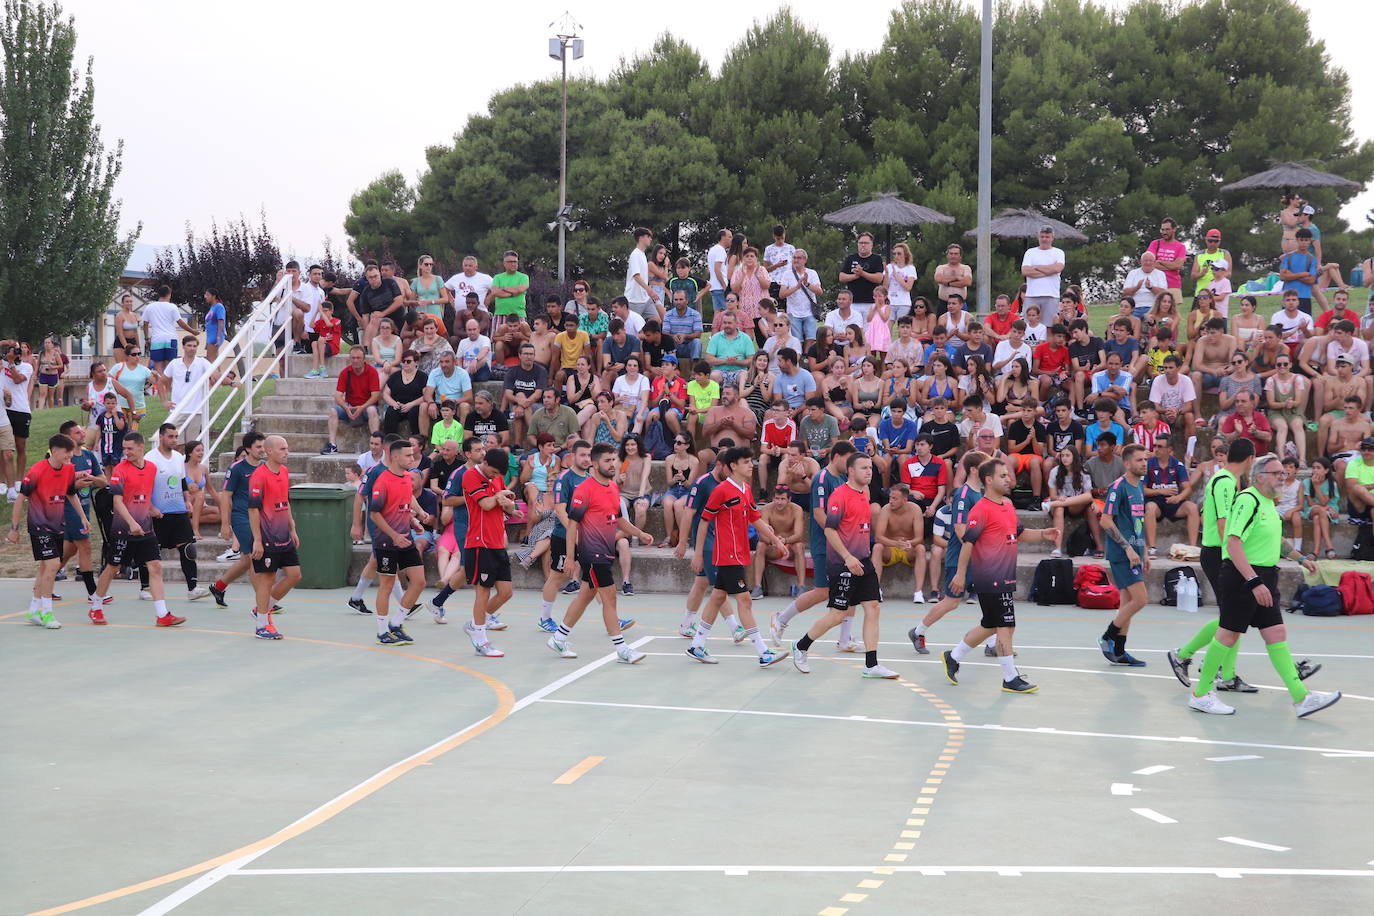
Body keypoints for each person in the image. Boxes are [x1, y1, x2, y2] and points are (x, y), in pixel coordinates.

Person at [1183, 455, 1340, 717]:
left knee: (1276, 633)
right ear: (1260, 477)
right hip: (1242, 577)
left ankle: (1302, 698)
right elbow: (1233, 544)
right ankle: (1200, 694)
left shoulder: (1268, 503)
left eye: (1283, 473)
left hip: (1264, 576)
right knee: (1228, 635)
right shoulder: (1248, 500)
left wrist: (1301, 558)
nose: (1283, 476)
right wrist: (1253, 581)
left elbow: (1277, 541)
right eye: (1276, 472)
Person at [941, 459, 1059, 692]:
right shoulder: (981, 509)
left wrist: (1044, 534)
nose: (1008, 479)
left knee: (991, 625)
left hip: (1006, 576)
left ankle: (953, 656)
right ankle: (1009, 677)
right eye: (1003, 475)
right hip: (989, 577)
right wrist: (960, 574)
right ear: (989, 480)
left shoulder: (1007, 504)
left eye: (1008, 475)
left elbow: (1020, 533)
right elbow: (968, 543)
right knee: (1006, 625)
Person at [787, 451, 901, 677]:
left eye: (870, 468)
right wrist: (847, 557)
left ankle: (871, 665)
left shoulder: (864, 493)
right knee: (837, 615)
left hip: (863, 561)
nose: (869, 471)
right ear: (850, 471)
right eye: (863, 468)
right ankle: (800, 646)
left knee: (873, 608)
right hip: (843, 563)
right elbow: (829, 529)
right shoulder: (840, 495)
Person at [547, 441, 655, 663]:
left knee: (586, 595)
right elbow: (573, 525)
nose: (613, 464)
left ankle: (559, 637)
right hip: (591, 553)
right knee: (610, 597)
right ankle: (622, 648)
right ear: (595, 464)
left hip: (606, 551)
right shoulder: (584, 490)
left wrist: (639, 533)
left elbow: (618, 519)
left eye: (614, 459)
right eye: (607, 460)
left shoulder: (613, 487)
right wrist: (570, 557)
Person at [685, 447, 789, 667]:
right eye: (745, 462)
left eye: (751, 461)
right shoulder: (721, 491)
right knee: (745, 600)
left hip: (740, 553)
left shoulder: (746, 489)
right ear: (733, 466)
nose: (751, 465)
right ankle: (763, 652)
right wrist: (698, 554)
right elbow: (704, 521)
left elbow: (756, 519)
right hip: (727, 553)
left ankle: (697, 644)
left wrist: (777, 541)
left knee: (717, 598)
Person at [88, 432, 182, 627]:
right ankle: (96, 605)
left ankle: (162, 614)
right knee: (113, 567)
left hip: (145, 528)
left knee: (155, 566)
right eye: (124, 448)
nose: (126, 452)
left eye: (130, 448)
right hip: (123, 529)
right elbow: (117, 503)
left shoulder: (152, 468)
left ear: (141, 448)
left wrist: (151, 509)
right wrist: (131, 523)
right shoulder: (120, 471)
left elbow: (143, 495)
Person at [9, 433, 88, 629]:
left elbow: (71, 494)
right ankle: (47, 612)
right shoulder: (37, 470)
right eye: (67, 452)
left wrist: (84, 518)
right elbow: (20, 499)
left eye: (71, 452)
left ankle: (34, 609)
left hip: (56, 525)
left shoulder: (69, 470)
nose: (70, 455)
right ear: (54, 451)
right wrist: (14, 529)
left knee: (46, 567)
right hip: (38, 525)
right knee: (53, 565)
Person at [367, 439, 427, 645]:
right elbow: (375, 514)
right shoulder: (383, 481)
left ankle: (396, 624)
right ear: (395, 456)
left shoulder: (407, 476)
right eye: (408, 455)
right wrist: (393, 535)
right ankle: (382, 632)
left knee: (419, 582)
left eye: (413, 454)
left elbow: (406, 498)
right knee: (387, 584)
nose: (412, 458)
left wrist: (416, 516)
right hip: (387, 541)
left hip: (406, 538)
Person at [459, 449, 516, 656]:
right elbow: (486, 504)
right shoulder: (470, 476)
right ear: (484, 462)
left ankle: (475, 624)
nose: (494, 477)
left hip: (497, 541)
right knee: (482, 591)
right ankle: (481, 642)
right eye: (492, 472)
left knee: (506, 592)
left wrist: (510, 505)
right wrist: (499, 496)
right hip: (479, 542)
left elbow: (506, 506)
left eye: (497, 474)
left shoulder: (497, 477)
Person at [1098, 444, 1151, 665]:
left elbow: (1138, 522)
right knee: (1141, 599)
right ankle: (1108, 636)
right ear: (1127, 463)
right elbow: (1105, 520)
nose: (1144, 463)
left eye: (1145, 459)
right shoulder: (1118, 487)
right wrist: (1128, 548)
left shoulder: (1139, 487)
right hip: (1122, 553)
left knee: (1127, 601)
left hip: (1136, 551)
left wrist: (1145, 551)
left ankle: (1119, 651)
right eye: (1139, 460)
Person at [147, 423, 211, 601]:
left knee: (188, 549)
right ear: (161, 437)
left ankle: (193, 588)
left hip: (179, 511)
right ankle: (145, 587)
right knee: (151, 553)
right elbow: (145, 486)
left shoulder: (178, 457)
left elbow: (182, 480)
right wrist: (151, 508)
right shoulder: (150, 458)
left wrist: (186, 500)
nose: (174, 440)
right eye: (170, 436)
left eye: (176, 436)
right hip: (159, 514)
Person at [245, 435, 300, 640]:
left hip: (284, 534)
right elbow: (253, 510)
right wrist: (257, 540)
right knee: (267, 579)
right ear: (269, 451)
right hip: (267, 537)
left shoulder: (284, 471)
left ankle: (261, 609)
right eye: (282, 449)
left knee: (294, 574)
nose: (286, 452)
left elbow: (285, 501)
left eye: (287, 448)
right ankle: (261, 626)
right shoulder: (258, 476)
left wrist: (292, 528)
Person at [208, 432, 266, 608]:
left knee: (246, 560)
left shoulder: (264, 467)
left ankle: (219, 587)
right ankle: (264, 603)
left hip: (259, 517)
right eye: (258, 446)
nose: (262, 450)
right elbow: (225, 496)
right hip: (241, 517)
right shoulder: (237, 468)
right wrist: (225, 524)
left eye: (263, 446)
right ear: (248, 449)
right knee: (255, 557)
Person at [750, 484, 806, 600]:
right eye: (777, 498)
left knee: (799, 546)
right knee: (760, 545)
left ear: (789, 499)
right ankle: (757, 587)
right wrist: (776, 542)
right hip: (773, 547)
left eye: (782, 499)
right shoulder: (766, 509)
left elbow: (799, 535)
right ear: (773, 498)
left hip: (789, 548)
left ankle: (801, 586)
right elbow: (763, 535)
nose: (779, 502)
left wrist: (785, 541)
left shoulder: (797, 509)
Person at [875, 482, 927, 602]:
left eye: (894, 498)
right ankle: (876, 589)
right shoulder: (885, 509)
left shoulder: (915, 509)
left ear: (904, 499)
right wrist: (895, 544)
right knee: (877, 547)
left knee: (921, 548)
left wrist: (908, 543)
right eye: (890, 498)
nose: (890, 501)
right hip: (890, 549)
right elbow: (878, 537)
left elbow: (919, 538)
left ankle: (918, 592)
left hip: (909, 549)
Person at [323, 348, 382, 454]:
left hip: (366, 408)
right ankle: (332, 445)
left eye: (358, 358)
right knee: (333, 410)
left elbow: (375, 396)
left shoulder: (372, 372)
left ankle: (376, 443)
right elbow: (338, 396)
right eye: (353, 358)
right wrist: (346, 407)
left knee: (372, 410)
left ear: (364, 359)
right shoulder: (345, 372)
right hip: (350, 407)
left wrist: (362, 407)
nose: (355, 361)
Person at [779, 248, 823, 345]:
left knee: (811, 337)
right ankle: (799, 356)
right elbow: (781, 295)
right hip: (793, 312)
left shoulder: (812, 273)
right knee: (797, 339)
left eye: (799, 258)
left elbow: (820, 292)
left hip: (809, 311)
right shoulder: (787, 274)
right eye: (794, 257)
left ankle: (806, 356)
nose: (796, 260)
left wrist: (807, 284)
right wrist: (796, 287)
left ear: (805, 260)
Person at [839, 232, 884, 321]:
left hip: (871, 302)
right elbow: (841, 277)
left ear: (872, 245)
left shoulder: (876, 259)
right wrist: (855, 276)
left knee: (869, 331)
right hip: (853, 302)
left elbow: (879, 278)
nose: (863, 245)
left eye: (866, 243)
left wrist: (862, 273)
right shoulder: (851, 258)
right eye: (860, 243)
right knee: (853, 330)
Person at [1021, 226, 1066, 312]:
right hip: (1032, 295)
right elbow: (1025, 271)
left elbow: (1058, 268)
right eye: (1042, 237)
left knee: (1050, 324)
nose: (1044, 239)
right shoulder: (1030, 252)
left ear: (1052, 238)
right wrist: (1049, 271)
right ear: (1038, 237)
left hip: (1051, 294)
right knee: (1031, 324)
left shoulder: (1058, 252)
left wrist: (1036, 267)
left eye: (1047, 237)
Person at [1146, 217, 1188, 304]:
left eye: (1167, 229)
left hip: (1173, 284)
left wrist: (1160, 261)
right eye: (1163, 230)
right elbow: (1148, 263)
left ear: (1174, 229)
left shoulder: (1180, 246)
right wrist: (1172, 265)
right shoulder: (1155, 244)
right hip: (1156, 284)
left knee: (1172, 315)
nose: (1164, 232)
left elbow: (1178, 266)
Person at [489, 250, 530, 324]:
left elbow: (521, 289)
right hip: (500, 314)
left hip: (519, 315)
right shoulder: (497, 277)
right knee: (498, 335)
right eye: (510, 262)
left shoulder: (524, 277)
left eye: (515, 262)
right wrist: (512, 293)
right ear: (504, 263)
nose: (513, 264)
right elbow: (495, 292)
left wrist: (503, 288)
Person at [933, 243, 972, 312]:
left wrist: (947, 283)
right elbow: (938, 279)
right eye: (951, 253)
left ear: (960, 256)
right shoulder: (941, 268)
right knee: (941, 322)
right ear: (947, 255)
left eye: (956, 254)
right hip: (944, 303)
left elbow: (967, 282)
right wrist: (956, 278)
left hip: (960, 304)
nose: (953, 256)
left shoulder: (965, 268)